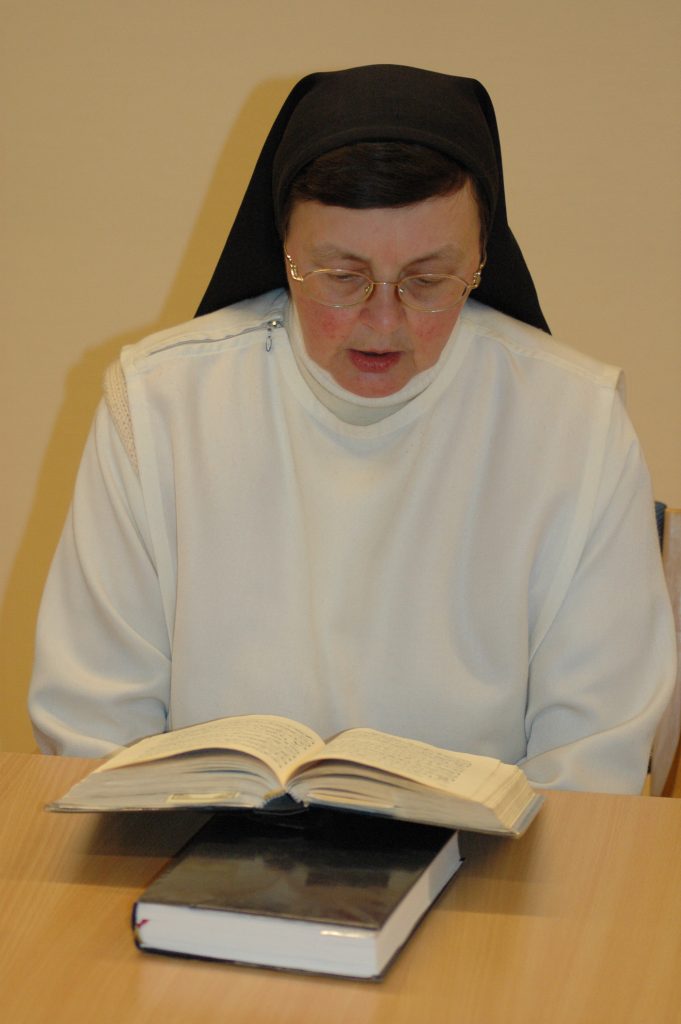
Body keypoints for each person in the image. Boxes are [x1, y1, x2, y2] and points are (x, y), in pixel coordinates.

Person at [28, 65, 675, 793]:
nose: (384, 321)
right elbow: (92, 724)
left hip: (489, 857)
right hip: (194, 845)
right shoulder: (157, 406)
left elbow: (594, 756)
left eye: (428, 280)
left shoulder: (575, 424)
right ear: (284, 251)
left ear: (481, 258)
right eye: (341, 276)